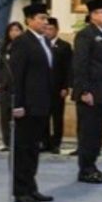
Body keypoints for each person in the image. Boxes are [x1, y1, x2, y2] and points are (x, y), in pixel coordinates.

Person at [9, 4, 55, 202]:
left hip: (41, 104)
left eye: (46, 18)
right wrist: (17, 104)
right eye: (41, 18)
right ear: (29, 20)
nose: (45, 22)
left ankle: (31, 187)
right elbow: (16, 76)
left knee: (34, 148)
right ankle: (21, 190)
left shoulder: (44, 41)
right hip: (26, 106)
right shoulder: (22, 42)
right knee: (23, 149)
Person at [72, 0, 102, 182]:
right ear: (93, 15)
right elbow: (80, 64)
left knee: (97, 132)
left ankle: (92, 165)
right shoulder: (85, 35)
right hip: (90, 92)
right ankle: (85, 170)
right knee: (87, 132)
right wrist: (84, 90)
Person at [44, 18, 72, 154]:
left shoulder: (64, 46)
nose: (48, 32)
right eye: (46, 29)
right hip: (43, 88)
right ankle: (45, 142)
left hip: (58, 88)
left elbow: (68, 68)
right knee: (43, 116)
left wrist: (66, 86)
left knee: (57, 117)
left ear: (56, 30)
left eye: (51, 29)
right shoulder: (41, 44)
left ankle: (56, 143)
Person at [0, 22, 24, 152]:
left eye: (17, 30)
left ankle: (18, 141)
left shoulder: (25, 46)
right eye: (11, 30)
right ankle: (7, 142)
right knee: (4, 115)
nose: (14, 33)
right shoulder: (5, 47)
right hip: (5, 86)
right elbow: (0, 66)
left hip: (18, 86)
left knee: (17, 115)